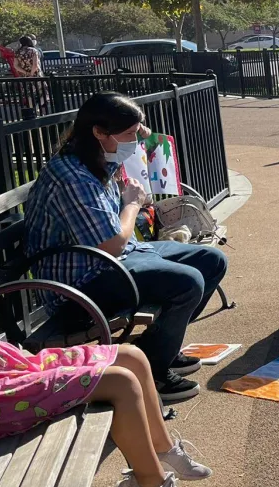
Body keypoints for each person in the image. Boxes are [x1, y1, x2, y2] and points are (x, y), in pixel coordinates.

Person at [0, 206, 210, 487]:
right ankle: (149, 485)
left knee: (131, 355)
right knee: (121, 384)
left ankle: (162, 448)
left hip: (5, 370)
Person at [24, 92, 228, 403]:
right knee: (188, 283)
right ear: (98, 132)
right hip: (80, 286)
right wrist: (132, 205)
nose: (136, 140)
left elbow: (114, 238)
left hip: (113, 261)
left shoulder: (94, 156)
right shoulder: (71, 176)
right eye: (129, 134)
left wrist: (141, 131)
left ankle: (160, 349)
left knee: (212, 260)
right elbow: (112, 244)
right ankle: (153, 372)